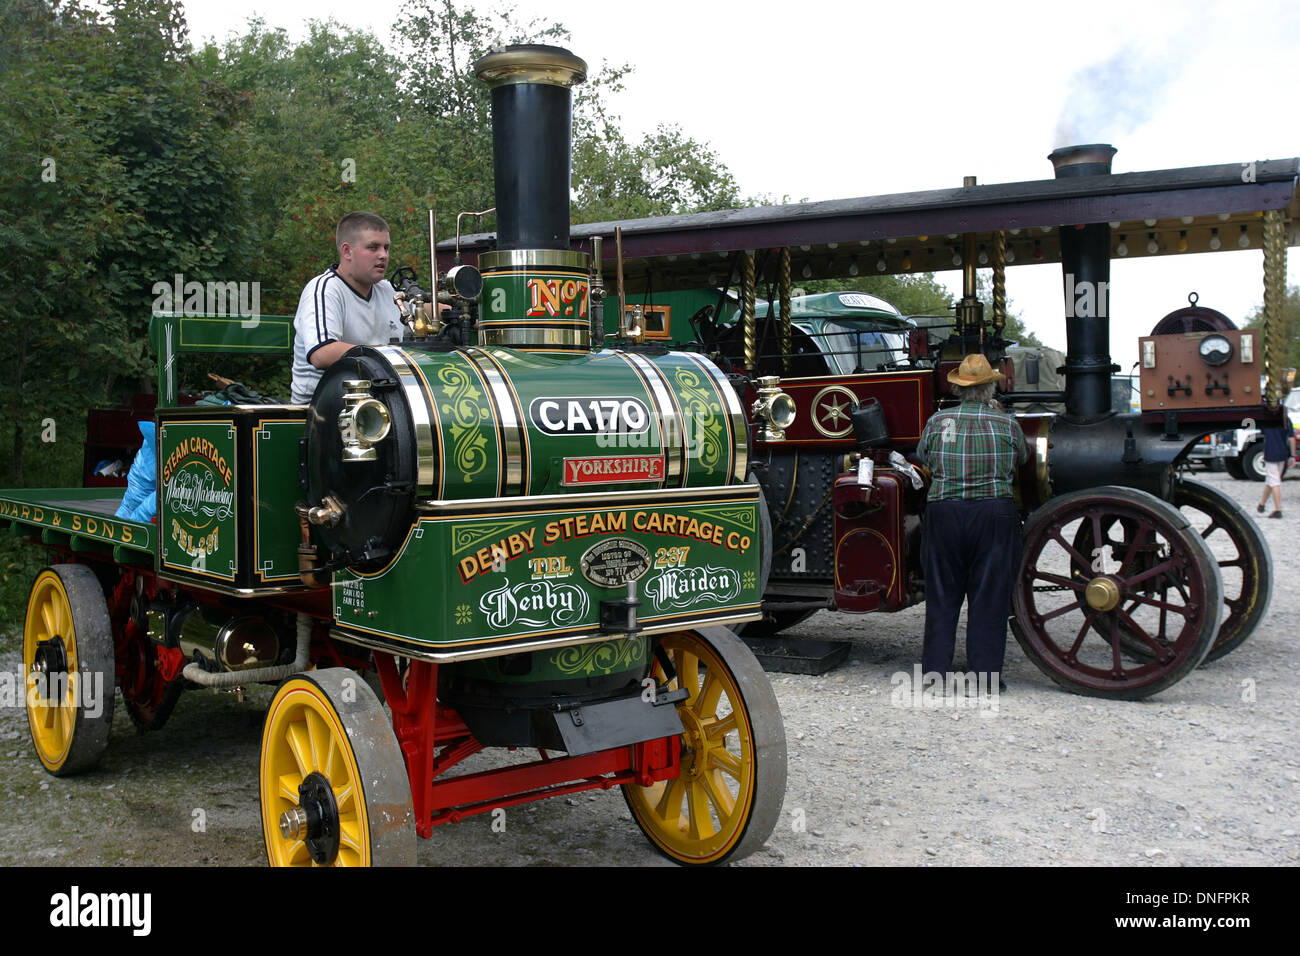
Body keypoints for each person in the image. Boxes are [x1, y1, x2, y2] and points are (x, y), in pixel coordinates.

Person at [916, 353, 1028, 693]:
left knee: (942, 596)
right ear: (990, 388)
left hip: (945, 512)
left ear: (958, 388)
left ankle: (935, 674)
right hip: (994, 514)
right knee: (989, 597)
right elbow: (1021, 459)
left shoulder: (938, 421)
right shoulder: (1007, 424)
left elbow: (924, 457)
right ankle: (983, 678)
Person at [291, 211, 408, 405]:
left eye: (386, 248)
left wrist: (465, 309)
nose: (383, 255)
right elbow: (322, 353)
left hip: (378, 403)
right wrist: (388, 357)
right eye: (373, 247)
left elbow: (424, 313)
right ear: (347, 251)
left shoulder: (387, 290)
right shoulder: (324, 289)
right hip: (321, 410)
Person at [1256, 391, 1295, 519]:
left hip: (1270, 453)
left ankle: (1278, 510)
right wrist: (1293, 456)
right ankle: (1261, 504)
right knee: (1271, 480)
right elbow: (1292, 438)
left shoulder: (1265, 420)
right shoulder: (1285, 419)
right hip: (1282, 453)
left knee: (1274, 481)